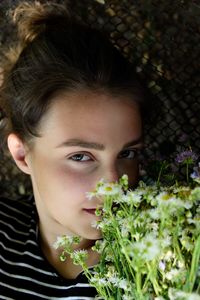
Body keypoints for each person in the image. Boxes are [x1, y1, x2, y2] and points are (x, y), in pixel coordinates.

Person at [0, 1, 150, 299]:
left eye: (127, 153)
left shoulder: (162, 262)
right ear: (21, 154)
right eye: (81, 156)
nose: (113, 185)